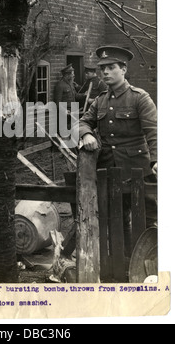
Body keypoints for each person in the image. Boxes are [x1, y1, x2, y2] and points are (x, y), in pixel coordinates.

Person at [79, 45, 157, 248]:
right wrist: (86, 133)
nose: (105, 72)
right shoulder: (101, 100)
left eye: (111, 67)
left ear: (123, 69)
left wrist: (157, 160)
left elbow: (154, 132)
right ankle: (120, 260)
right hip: (109, 169)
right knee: (116, 218)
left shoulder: (140, 98)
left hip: (137, 168)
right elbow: (83, 122)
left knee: (147, 219)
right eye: (102, 68)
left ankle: (146, 261)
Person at [54, 64, 85, 135]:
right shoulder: (60, 85)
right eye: (72, 74)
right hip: (64, 113)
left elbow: (76, 95)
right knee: (63, 132)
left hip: (73, 111)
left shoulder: (71, 84)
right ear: (67, 75)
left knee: (73, 131)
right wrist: (64, 111)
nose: (73, 76)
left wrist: (84, 95)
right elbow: (57, 102)